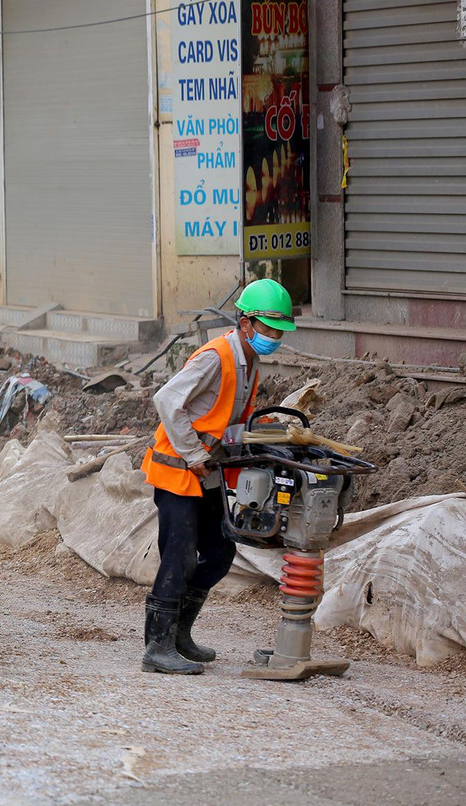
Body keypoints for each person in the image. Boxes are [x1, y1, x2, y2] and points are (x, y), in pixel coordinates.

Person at [138, 278, 297, 675]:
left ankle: (179, 635)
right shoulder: (216, 357)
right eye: (267, 329)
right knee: (178, 554)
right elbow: (167, 400)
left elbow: (225, 419)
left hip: (207, 471)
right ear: (245, 322)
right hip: (179, 469)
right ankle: (156, 647)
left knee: (221, 551)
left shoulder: (249, 361)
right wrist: (193, 454)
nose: (274, 337)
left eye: (279, 331)